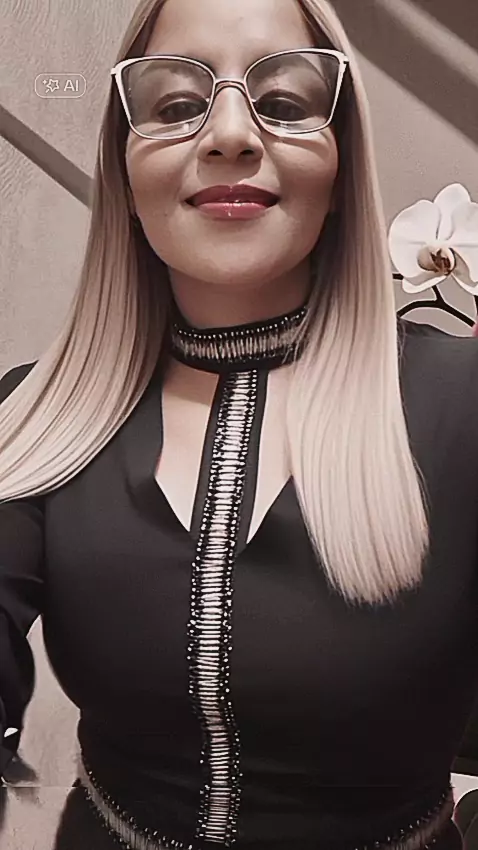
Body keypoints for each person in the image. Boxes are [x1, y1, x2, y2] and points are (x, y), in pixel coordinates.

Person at [0, 0, 474, 847]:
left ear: (344, 167)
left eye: (285, 102)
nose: (229, 134)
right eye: (176, 104)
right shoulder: (33, 416)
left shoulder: (464, 405)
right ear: (124, 170)